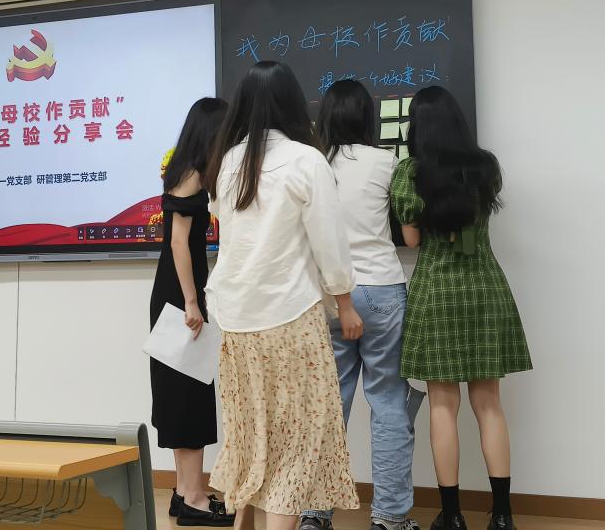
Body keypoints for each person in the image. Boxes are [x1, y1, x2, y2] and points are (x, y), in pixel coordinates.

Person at [204, 60, 363, 530]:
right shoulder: (306, 160)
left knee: (251, 435)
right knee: (297, 441)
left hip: (236, 320)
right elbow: (329, 243)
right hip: (290, 315)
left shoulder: (227, 162)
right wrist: (345, 303)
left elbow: (225, 221)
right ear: (293, 102)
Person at [390, 87, 532, 530]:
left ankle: (451, 516)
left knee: (442, 406)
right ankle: (502, 515)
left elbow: (412, 240)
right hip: (485, 286)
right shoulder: (484, 167)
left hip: (437, 290)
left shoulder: (410, 173)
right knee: (489, 405)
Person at [299, 80, 418, 530]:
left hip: (330, 295)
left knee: (328, 405)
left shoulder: (312, 164)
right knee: (388, 402)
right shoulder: (387, 161)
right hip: (382, 288)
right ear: (368, 117)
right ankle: (389, 517)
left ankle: (314, 513)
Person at [150, 97, 234, 527]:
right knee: (188, 396)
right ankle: (194, 497)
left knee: (183, 393)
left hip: (177, 294)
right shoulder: (189, 175)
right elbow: (179, 243)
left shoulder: (186, 169)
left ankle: (186, 493)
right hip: (179, 297)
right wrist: (191, 302)